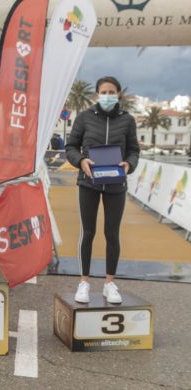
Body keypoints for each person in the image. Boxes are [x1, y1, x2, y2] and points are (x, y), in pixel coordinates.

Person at [65, 76, 140, 304]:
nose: (108, 95)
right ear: (96, 95)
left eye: (112, 91)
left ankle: (110, 283)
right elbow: (71, 146)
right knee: (88, 233)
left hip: (116, 184)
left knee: (112, 234)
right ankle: (84, 282)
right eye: (103, 92)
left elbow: (134, 150)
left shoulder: (127, 120)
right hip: (89, 183)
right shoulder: (84, 117)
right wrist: (81, 161)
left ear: (118, 94)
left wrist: (130, 164)